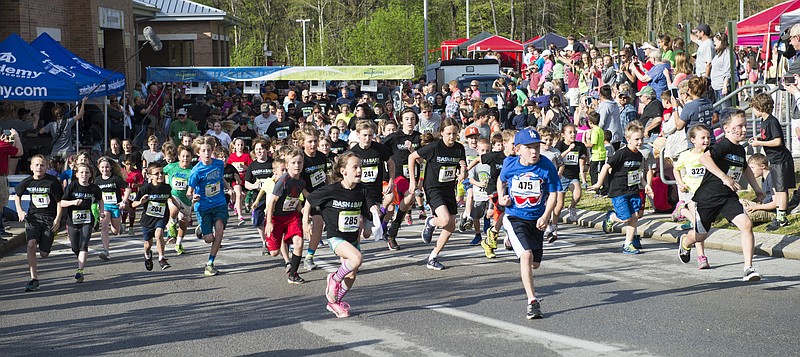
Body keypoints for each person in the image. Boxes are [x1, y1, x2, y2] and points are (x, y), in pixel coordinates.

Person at [677, 109, 763, 281]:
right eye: (739, 126)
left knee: (746, 224)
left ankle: (748, 268)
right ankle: (685, 242)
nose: (744, 130)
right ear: (727, 129)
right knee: (700, 236)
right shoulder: (723, 145)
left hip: (728, 197)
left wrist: (757, 189)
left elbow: (745, 169)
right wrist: (725, 177)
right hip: (709, 197)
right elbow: (704, 159)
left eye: (745, 126)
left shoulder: (739, 149)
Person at [304, 152, 383, 318]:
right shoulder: (332, 190)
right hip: (336, 237)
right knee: (357, 259)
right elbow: (310, 200)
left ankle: (335, 302)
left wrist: (374, 215)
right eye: (355, 167)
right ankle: (334, 278)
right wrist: (306, 222)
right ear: (343, 170)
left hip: (352, 238)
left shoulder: (363, 190)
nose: (359, 170)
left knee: (352, 274)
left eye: (360, 167)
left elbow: (370, 208)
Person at [498, 128, 561, 319]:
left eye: (536, 147)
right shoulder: (510, 164)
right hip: (515, 216)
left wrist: (546, 216)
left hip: (537, 219)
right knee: (526, 255)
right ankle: (532, 302)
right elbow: (501, 181)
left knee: (535, 264)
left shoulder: (546, 165)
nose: (534, 152)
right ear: (518, 150)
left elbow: (553, 194)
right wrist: (502, 198)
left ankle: (512, 240)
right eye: (529, 148)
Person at [408, 118, 466, 270]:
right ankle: (431, 222)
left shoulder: (459, 148)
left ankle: (432, 257)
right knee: (445, 220)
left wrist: (463, 171)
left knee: (451, 226)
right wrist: (413, 181)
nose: (451, 137)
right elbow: (412, 157)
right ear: (441, 133)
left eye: (454, 133)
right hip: (433, 187)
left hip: (449, 188)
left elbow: (461, 163)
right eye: (448, 134)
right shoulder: (435, 147)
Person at [590, 123, 651, 254]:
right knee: (626, 218)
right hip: (619, 190)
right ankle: (611, 217)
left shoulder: (639, 155)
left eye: (641, 139)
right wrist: (598, 183)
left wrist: (646, 185)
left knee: (635, 216)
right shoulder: (621, 153)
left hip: (633, 190)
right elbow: (606, 166)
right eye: (636, 139)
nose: (640, 142)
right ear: (628, 139)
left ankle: (628, 244)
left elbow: (638, 174)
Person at [16, 155, 63, 291]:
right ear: (31, 167)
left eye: (42, 165)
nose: (39, 168)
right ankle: (33, 278)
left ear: (47, 167)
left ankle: (46, 243)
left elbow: (60, 202)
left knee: (44, 254)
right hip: (33, 218)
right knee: (31, 245)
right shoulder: (27, 182)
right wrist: (20, 211)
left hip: (48, 219)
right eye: (36, 165)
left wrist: (58, 219)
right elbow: (17, 196)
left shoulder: (52, 182)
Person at [749, 93, 796, 230]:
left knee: (781, 189)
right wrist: (758, 139)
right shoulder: (764, 122)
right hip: (774, 160)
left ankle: (781, 217)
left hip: (780, 159)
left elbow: (778, 141)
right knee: (777, 188)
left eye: (754, 107)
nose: (752, 110)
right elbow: (768, 137)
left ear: (760, 107)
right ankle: (779, 214)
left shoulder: (772, 121)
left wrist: (760, 144)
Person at [188, 136, 231, 276]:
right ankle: (202, 228)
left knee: (219, 232)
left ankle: (210, 263)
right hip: (203, 207)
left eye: (209, 150)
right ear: (198, 153)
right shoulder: (196, 171)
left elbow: (221, 178)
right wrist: (193, 197)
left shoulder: (218, 164)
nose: (207, 153)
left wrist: (228, 188)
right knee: (209, 239)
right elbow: (189, 192)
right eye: (204, 151)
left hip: (219, 204)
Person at [347, 121, 394, 246]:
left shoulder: (379, 148)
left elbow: (391, 163)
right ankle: (355, 250)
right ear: (358, 135)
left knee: (367, 234)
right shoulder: (353, 152)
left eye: (370, 135)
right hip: (357, 192)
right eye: (364, 135)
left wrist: (391, 180)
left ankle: (380, 214)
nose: (367, 138)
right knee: (358, 223)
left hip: (374, 194)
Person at [264, 147, 306, 284]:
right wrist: (269, 222)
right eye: (293, 163)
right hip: (276, 217)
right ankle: (272, 239)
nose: (297, 166)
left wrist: (304, 212)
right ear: (287, 165)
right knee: (274, 253)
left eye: (299, 163)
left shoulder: (301, 182)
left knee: (299, 242)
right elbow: (272, 203)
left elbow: (295, 200)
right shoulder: (283, 181)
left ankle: (293, 274)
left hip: (292, 217)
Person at [383, 109, 422, 249]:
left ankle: (392, 231)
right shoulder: (395, 137)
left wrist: (413, 152)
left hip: (412, 177)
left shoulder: (419, 137)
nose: (410, 122)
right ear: (401, 121)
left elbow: (423, 160)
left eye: (412, 119)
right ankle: (385, 225)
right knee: (394, 205)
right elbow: (379, 148)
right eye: (406, 119)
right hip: (397, 177)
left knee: (408, 201)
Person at [60, 163, 103, 282]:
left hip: (87, 220)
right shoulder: (72, 186)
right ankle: (80, 257)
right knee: (75, 247)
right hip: (72, 221)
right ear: (77, 174)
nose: (84, 175)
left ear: (90, 175)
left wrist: (101, 212)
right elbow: (62, 203)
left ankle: (80, 271)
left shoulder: (94, 188)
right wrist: (73, 202)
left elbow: (100, 200)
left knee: (84, 244)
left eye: (87, 172)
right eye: (82, 172)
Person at [132, 162, 177, 271]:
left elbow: (170, 197)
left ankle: (161, 258)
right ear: (150, 176)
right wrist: (141, 202)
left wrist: (179, 207)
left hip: (161, 216)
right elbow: (133, 204)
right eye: (157, 174)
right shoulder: (145, 188)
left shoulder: (166, 187)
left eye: (162, 173)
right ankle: (147, 255)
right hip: (148, 219)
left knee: (159, 233)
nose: (160, 175)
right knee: (148, 244)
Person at [299, 129, 329, 270]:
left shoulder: (322, 157)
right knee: (305, 227)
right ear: (302, 143)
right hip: (304, 196)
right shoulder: (301, 159)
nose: (313, 144)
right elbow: (298, 183)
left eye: (315, 141)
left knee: (319, 222)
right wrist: (309, 198)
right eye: (310, 141)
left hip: (321, 195)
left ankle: (309, 256)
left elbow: (325, 175)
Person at [95, 157, 131, 261]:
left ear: (110, 168)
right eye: (102, 167)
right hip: (104, 206)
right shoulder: (97, 180)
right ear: (99, 168)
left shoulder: (115, 178)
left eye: (107, 167)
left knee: (115, 231)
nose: (104, 169)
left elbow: (128, 188)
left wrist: (124, 201)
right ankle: (105, 251)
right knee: (104, 227)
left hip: (116, 206)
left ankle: (119, 227)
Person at [164, 145, 195, 255]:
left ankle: (178, 243)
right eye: (183, 156)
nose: (185, 159)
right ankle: (171, 224)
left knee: (183, 222)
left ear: (191, 158)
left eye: (188, 156)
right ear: (178, 157)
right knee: (174, 210)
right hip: (173, 195)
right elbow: (159, 172)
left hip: (186, 200)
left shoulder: (193, 171)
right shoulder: (171, 167)